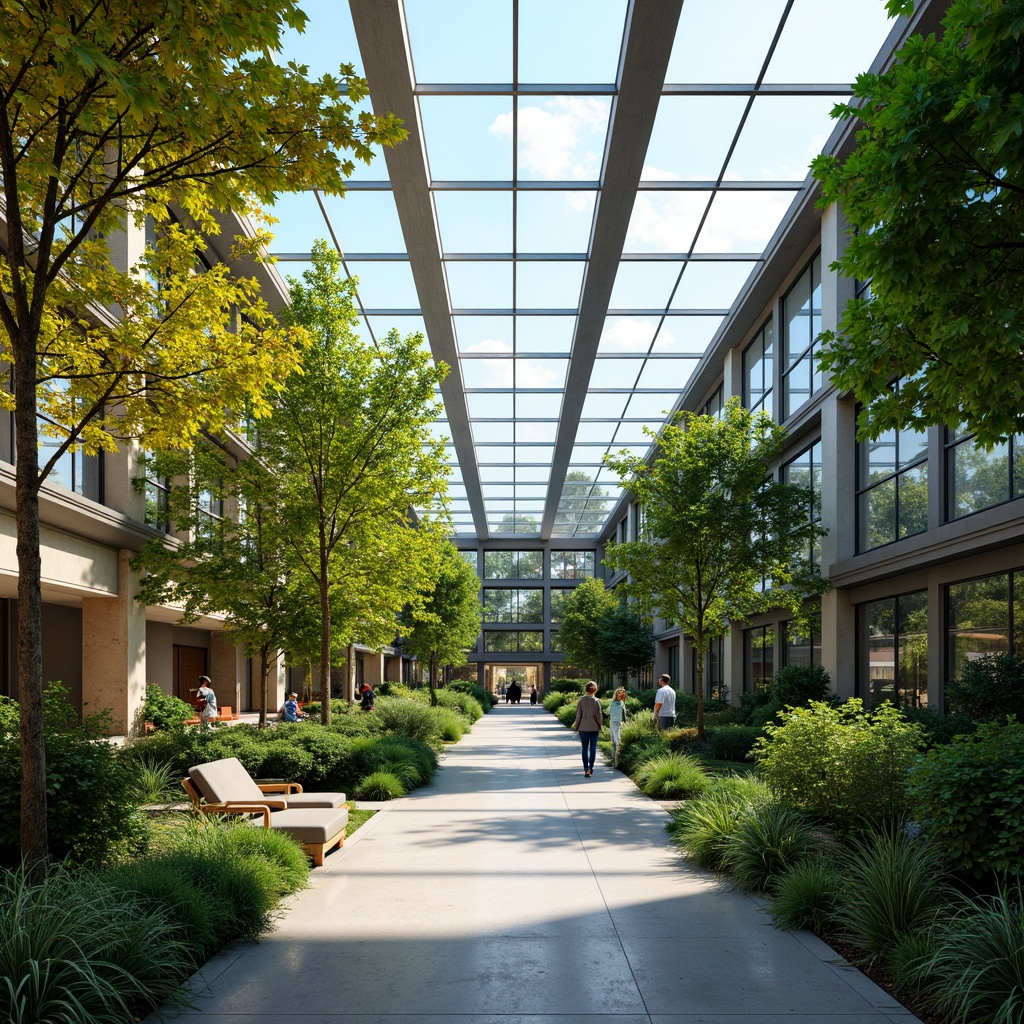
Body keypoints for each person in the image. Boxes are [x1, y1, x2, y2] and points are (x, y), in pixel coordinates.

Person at [572, 681, 603, 777]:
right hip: (594, 727)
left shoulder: (581, 701)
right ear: (595, 690)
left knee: (584, 748)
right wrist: (600, 725)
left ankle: (586, 769)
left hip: (583, 727)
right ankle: (591, 767)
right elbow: (599, 715)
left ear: (586, 689)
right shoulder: (596, 701)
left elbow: (578, 715)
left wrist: (576, 726)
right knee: (593, 747)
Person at [608, 686, 628, 767]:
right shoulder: (618, 703)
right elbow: (623, 715)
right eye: (622, 694)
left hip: (614, 722)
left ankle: (616, 762)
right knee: (616, 741)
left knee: (615, 742)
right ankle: (616, 761)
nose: (624, 696)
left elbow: (609, 712)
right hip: (615, 722)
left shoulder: (615, 703)